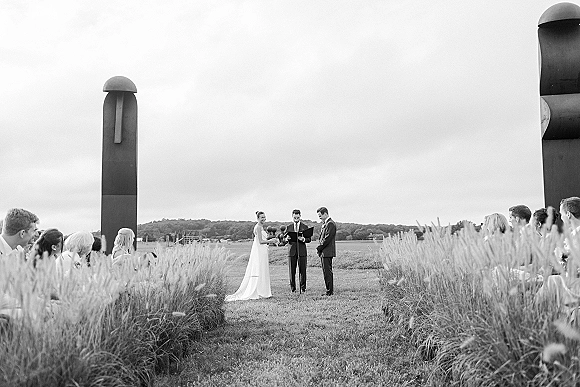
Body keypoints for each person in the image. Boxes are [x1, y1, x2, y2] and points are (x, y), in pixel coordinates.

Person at [225, 211, 275, 301]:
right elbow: (260, 241)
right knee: (260, 269)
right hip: (259, 251)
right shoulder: (258, 227)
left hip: (262, 251)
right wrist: (271, 241)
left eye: (264, 217)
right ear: (258, 218)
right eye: (262, 217)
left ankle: (262, 290)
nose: (264, 219)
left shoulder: (259, 226)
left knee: (262, 269)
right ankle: (260, 291)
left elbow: (262, 239)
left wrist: (270, 239)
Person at [286, 209, 311, 293]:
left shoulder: (305, 227)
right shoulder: (289, 227)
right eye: (294, 217)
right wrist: (287, 239)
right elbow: (285, 238)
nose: (296, 219)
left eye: (297, 217)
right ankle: (293, 288)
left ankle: (303, 288)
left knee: (303, 270)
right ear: (292, 216)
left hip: (302, 251)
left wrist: (303, 239)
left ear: (300, 216)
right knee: (292, 271)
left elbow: (309, 239)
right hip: (292, 251)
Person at [316, 207, 336, 296]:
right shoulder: (325, 223)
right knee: (325, 272)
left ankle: (329, 291)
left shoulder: (330, 224)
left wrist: (319, 247)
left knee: (327, 272)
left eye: (320, 216)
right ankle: (328, 289)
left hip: (327, 251)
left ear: (325, 214)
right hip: (324, 252)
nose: (319, 218)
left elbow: (327, 238)